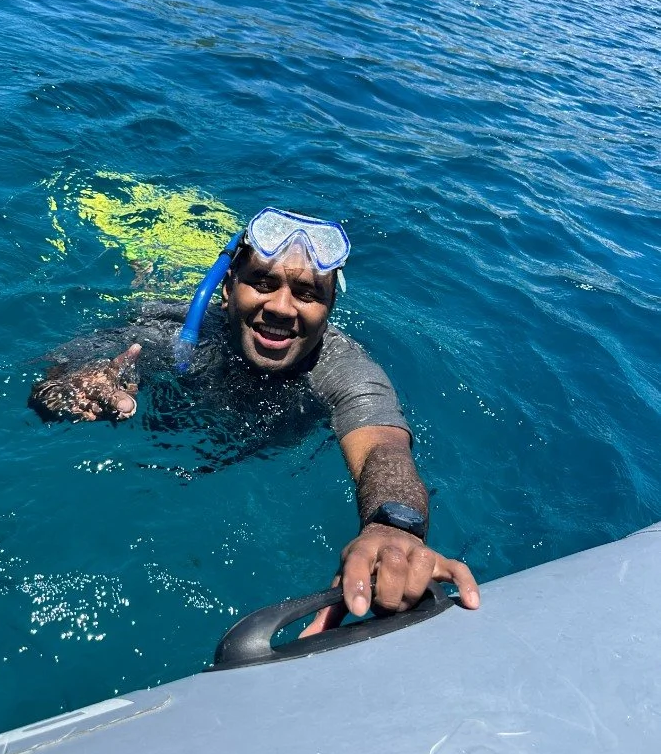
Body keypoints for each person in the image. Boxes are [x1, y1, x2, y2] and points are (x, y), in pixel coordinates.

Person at [29, 207, 480, 632]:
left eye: (307, 293)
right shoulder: (177, 334)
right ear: (227, 291)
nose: (282, 308)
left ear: (329, 312)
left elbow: (382, 444)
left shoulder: (344, 369)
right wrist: (72, 388)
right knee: (145, 286)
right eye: (262, 283)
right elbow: (57, 374)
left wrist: (392, 526)